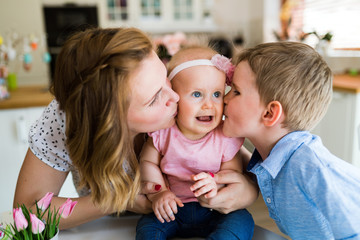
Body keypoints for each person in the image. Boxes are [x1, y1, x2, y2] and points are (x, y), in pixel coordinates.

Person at [13, 27, 255, 230]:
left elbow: (244, 161)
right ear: (111, 122)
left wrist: (248, 189)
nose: (176, 98)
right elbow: (27, 213)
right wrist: (117, 200)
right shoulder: (64, 121)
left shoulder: (191, 106)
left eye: (166, 78)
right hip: (116, 228)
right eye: (154, 99)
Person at [223, 41, 360, 239]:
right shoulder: (270, 158)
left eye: (236, 91)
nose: (225, 99)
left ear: (270, 113)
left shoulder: (308, 166)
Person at [136, 46, 258, 240]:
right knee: (148, 229)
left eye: (217, 94)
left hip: (214, 211)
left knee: (242, 220)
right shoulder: (163, 131)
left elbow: (232, 174)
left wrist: (215, 185)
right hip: (173, 209)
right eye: (197, 94)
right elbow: (147, 162)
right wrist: (159, 194)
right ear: (174, 97)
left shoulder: (225, 136)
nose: (209, 104)